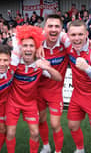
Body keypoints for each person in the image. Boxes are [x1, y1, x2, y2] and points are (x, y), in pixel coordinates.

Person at [5, 25, 62, 153]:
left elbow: (58, 78)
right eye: (25, 46)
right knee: (10, 133)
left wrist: (47, 68)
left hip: (30, 103)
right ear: (21, 48)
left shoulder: (39, 63)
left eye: (31, 46)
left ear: (36, 48)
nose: (28, 49)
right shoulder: (15, 62)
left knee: (35, 133)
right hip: (13, 102)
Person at [64, 20, 91, 153]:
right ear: (68, 35)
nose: (77, 38)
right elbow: (50, 34)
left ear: (87, 34)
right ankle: (80, 149)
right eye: (73, 35)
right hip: (77, 94)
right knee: (72, 125)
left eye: (80, 35)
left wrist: (88, 69)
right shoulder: (67, 45)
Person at [37, 14, 69, 153]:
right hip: (38, 90)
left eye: (57, 26)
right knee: (41, 120)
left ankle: (58, 151)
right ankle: (46, 146)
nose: (53, 29)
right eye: (50, 26)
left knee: (55, 124)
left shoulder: (66, 45)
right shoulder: (36, 44)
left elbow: (81, 42)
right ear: (44, 28)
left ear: (61, 29)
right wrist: (37, 42)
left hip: (55, 90)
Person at [0, 44, 15, 151]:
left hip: (6, 107)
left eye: (5, 60)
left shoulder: (12, 71)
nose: (2, 64)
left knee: (4, 130)